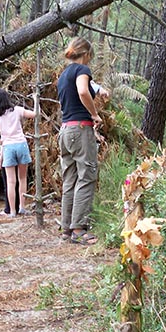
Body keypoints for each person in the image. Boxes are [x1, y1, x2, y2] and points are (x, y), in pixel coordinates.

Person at [56, 38, 109, 245]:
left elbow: (85, 89)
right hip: (80, 129)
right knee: (86, 177)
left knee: (70, 179)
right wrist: (94, 114)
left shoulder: (63, 75)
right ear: (85, 53)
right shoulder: (82, 70)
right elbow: (83, 91)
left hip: (65, 130)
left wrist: (100, 89)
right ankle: (79, 229)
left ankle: (67, 228)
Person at [0, 89, 36, 217]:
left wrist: (3, 142)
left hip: (8, 147)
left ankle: (12, 211)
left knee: (11, 182)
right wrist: (36, 99)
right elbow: (34, 114)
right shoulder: (17, 110)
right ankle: (22, 207)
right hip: (21, 144)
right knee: (22, 179)